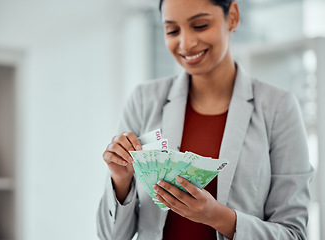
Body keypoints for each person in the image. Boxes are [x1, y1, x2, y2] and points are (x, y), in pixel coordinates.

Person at [97, 0, 314, 239]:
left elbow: (294, 234)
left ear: (232, 16)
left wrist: (217, 216)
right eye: (172, 30)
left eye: (200, 25)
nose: (186, 43)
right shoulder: (142, 101)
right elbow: (112, 236)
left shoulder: (278, 108)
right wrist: (121, 180)